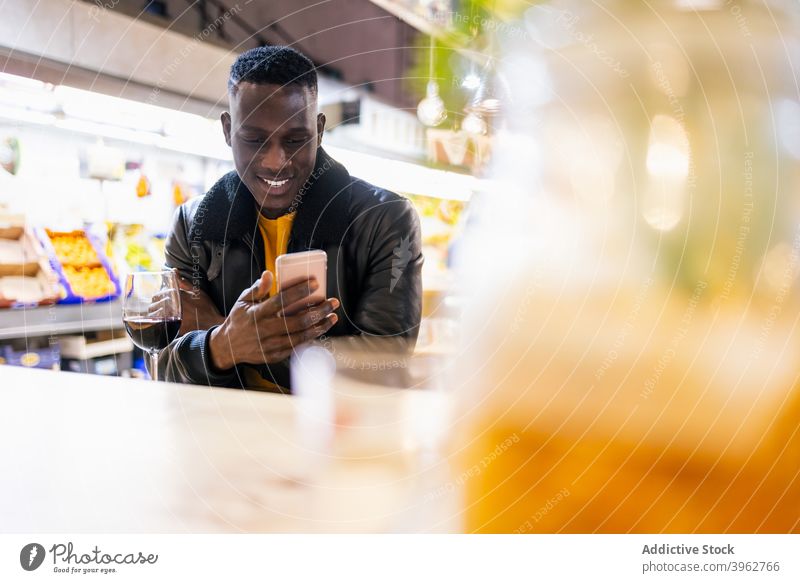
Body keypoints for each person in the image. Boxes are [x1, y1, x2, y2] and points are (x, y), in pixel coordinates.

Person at [157, 46, 423, 392]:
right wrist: (227, 340)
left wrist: (227, 337)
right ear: (227, 130)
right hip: (222, 434)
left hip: (332, 442)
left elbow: (385, 367)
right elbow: (161, 365)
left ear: (320, 129)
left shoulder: (384, 220)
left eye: (296, 140)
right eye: (254, 140)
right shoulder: (192, 224)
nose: (275, 161)